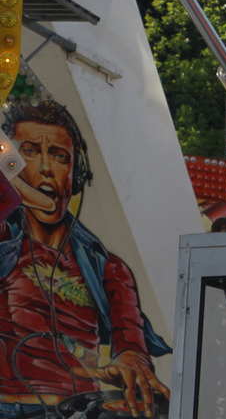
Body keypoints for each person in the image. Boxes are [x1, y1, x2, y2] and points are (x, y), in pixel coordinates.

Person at [0, 99, 171, 418]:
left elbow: (131, 341)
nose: (46, 168)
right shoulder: (5, 240)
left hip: (76, 410)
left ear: (76, 173)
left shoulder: (107, 267)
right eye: (30, 152)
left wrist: (130, 363)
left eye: (59, 156)